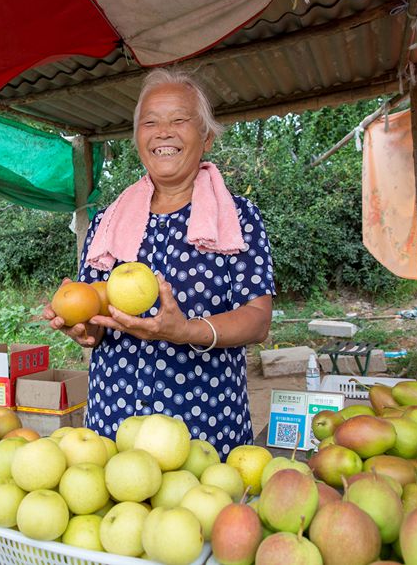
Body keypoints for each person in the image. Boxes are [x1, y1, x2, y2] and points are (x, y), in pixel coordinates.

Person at [44, 68, 274, 457]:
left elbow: (258, 319)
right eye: (150, 122)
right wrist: (82, 327)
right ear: (137, 139)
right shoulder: (108, 221)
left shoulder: (238, 217)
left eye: (179, 119)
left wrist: (184, 331)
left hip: (203, 426)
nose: (163, 131)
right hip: (114, 421)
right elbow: (100, 321)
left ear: (207, 137)